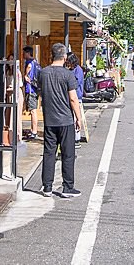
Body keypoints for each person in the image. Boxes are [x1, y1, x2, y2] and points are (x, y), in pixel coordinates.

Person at [37, 43, 84, 198]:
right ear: (64, 57)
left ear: (52, 55)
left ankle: (47, 187)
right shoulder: (68, 74)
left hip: (49, 120)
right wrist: (79, 118)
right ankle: (67, 187)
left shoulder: (43, 73)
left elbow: (40, 94)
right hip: (65, 120)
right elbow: (73, 98)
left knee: (49, 153)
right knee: (68, 154)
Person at [67, 53, 87, 143]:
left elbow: (76, 83)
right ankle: (73, 137)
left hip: (76, 96)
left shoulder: (77, 70)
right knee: (72, 117)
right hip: (71, 96)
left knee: (76, 117)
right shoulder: (71, 69)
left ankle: (77, 138)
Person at [23, 46, 41, 140]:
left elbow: (29, 69)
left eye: (24, 53)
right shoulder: (36, 62)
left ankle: (34, 131)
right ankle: (33, 130)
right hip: (35, 88)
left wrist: (25, 74)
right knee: (32, 110)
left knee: (33, 110)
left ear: (28, 53)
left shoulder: (29, 63)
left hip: (31, 89)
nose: (23, 55)